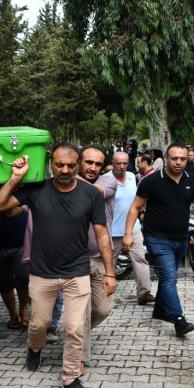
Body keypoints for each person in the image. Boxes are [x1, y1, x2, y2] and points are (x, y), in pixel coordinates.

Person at [0, 144, 116, 388]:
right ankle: (34, 347)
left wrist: (110, 272)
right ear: (51, 164)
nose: (65, 170)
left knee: (74, 328)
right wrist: (16, 177)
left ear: (78, 165)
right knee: (39, 323)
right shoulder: (37, 189)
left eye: (71, 165)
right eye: (60, 165)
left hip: (77, 271)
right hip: (42, 272)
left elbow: (102, 233)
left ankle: (70, 377)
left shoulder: (90, 194)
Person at [123, 144, 194, 337]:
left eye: (182, 159)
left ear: (187, 159)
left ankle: (160, 310)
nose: (178, 162)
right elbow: (135, 207)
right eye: (174, 158)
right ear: (166, 158)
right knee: (170, 278)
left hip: (181, 239)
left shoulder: (192, 180)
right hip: (157, 238)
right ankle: (178, 320)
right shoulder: (151, 181)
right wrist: (128, 234)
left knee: (167, 277)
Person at [77, 147, 117, 372]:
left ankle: (74, 333)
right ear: (79, 162)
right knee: (82, 311)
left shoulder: (108, 182)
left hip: (101, 259)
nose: (92, 168)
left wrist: (67, 177)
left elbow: (94, 192)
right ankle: (79, 357)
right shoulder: (67, 185)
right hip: (75, 259)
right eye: (88, 162)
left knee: (102, 309)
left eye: (98, 164)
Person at [109, 152, 153, 305]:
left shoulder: (132, 177)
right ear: (112, 163)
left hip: (133, 227)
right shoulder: (106, 179)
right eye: (118, 163)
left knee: (140, 259)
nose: (121, 166)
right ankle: (103, 295)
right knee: (109, 263)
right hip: (112, 230)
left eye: (125, 163)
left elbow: (138, 199)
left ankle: (144, 293)